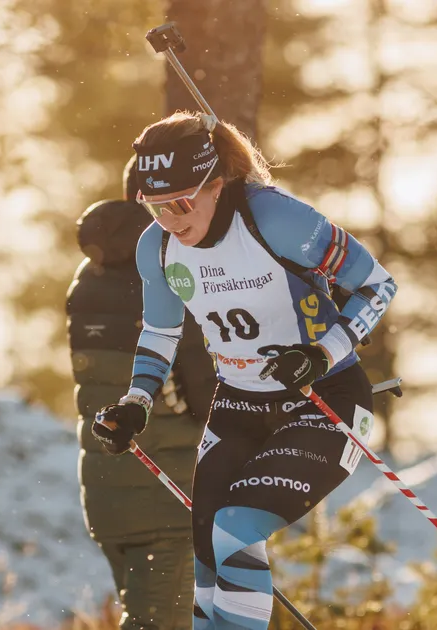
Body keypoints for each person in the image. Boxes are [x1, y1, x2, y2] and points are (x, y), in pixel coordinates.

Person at [91, 112, 398, 630]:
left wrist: (323, 353)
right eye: (155, 205)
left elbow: (378, 285)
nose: (170, 218)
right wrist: (135, 402)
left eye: (183, 202)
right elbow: (162, 333)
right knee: (209, 555)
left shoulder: (272, 219)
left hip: (325, 399)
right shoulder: (158, 246)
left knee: (236, 528)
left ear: (216, 185)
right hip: (237, 406)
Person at [68, 155, 218, 629]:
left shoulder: (87, 280)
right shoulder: (172, 270)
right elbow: (205, 396)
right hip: (168, 497)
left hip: (110, 491)